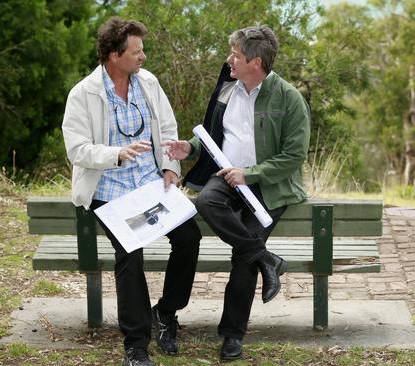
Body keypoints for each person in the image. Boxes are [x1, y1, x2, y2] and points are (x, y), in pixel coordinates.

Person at [164, 25, 310, 361]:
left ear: (255, 62)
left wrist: (251, 174)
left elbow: (293, 157)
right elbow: (214, 135)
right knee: (206, 201)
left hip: (270, 187)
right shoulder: (228, 89)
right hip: (227, 176)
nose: (230, 60)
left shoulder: (289, 98)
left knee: (242, 258)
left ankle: (232, 336)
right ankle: (267, 259)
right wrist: (189, 147)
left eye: (236, 55)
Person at [62, 17, 201, 366]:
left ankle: (166, 313)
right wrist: (116, 154)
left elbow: (168, 127)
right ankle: (136, 345)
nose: (143, 57)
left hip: (151, 185)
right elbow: (77, 150)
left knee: (189, 236)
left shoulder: (148, 82)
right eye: (136, 51)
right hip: (108, 190)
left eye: (142, 50)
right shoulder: (84, 94)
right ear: (113, 54)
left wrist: (170, 167)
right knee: (130, 251)